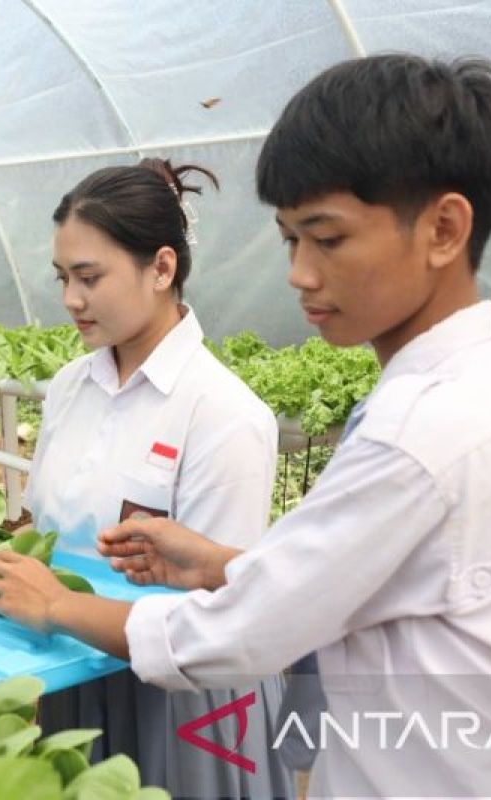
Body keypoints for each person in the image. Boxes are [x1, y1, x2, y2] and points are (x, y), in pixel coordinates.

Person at [0, 55, 491, 796]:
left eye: (327, 239)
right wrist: (221, 564)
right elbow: (347, 581)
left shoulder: (416, 434)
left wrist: (57, 605)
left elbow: (239, 634)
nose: (299, 274)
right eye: (288, 240)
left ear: (443, 229)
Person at [16, 160, 291, 798]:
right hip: (77, 677)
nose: (70, 300)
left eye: (89, 277)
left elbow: (219, 616)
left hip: (186, 703)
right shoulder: (68, 389)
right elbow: (43, 530)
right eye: (62, 278)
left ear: (161, 268)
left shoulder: (222, 412)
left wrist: (59, 607)